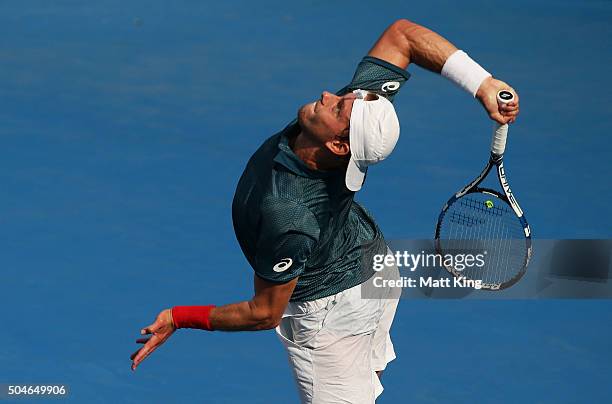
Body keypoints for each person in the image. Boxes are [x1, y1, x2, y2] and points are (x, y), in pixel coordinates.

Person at [130, 19, 519, 403]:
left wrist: (181, 316)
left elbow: (264, 313)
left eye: (337, 108)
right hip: (372, 264)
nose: (328, 95)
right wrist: (482, 83)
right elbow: (403, 35)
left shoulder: (291, 216)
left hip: (333, 318)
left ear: (337, 146)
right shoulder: (348, 124)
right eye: (342, 98)